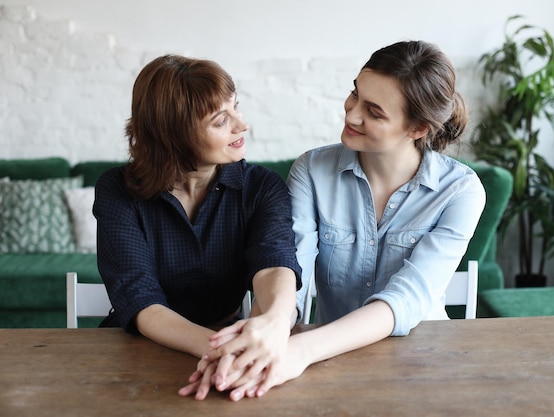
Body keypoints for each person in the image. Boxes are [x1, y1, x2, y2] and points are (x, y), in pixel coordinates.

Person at [179, 40, 486, 401]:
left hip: (418, 363)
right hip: (324, 364)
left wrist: (299, 351)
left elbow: (407, 299)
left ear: (417, 128)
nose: (352, 114)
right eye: (354, 95)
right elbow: (288, 271)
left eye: (374, 111)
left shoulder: (460, 192)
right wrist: (257, 341)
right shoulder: (312, 171)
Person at [94, 55, 302, 380]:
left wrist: (275, 323)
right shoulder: (117, 190)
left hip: (226, 350)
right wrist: (221, 351)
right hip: (139, 353)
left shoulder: (262, 186)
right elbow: (139, 296)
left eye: (236, 107)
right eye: (221, 121)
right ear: (173, 135)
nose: (242, 125)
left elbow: (274, 263)